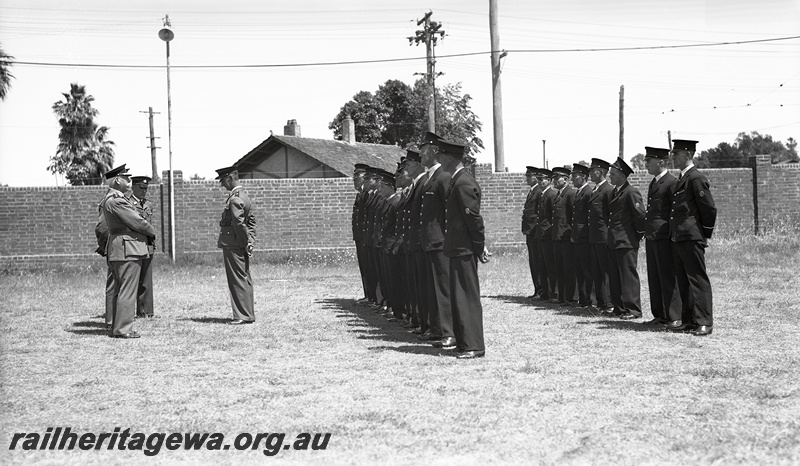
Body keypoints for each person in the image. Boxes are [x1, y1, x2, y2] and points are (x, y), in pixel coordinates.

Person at [439, 138, 489, 359]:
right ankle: (464, 341)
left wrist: (479, 246)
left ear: (449, 158)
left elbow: (473, 220)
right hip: (457, 247)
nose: (438, 161)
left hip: (465, 248)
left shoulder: (463, 182)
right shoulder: (456, 180)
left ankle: (474, 345)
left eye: (440, 157)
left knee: (466, 297)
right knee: (459, 296)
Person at [101, 164, 158, 338]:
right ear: (118, 180)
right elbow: (138, 222)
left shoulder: (112, 199)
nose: (129, 180)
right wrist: (151, 231)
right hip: (127, 248)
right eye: (126, 177)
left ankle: (116, 326)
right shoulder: (117, 200)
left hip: (121, 247)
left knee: (120, 289)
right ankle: (123, 329)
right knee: (127, 289)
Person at [668, 139, 717, 336]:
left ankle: (704, 321)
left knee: (697, 279)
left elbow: (709, 208)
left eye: (677, 153)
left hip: (691, 236)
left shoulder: (695, 178)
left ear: (688, 155)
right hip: (679, 236)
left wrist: (704, 233)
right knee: (683, 280)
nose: (673, 156)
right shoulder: (682, 178)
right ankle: (688, 320)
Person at [419, 131, 456, 349]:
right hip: (430, 241)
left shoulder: (443, 176)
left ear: (434, 151)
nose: (421, 155)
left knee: (443, 288)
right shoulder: (429, 178)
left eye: (423, 151)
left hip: (441, 242)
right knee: (433, 288)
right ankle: (437, 328)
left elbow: (449, 212)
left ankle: (449, 332)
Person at [642, 147, 682, 328]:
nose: (645, 164)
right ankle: (659, 314)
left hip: (664, 237)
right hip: (652, 236)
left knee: (668, 277)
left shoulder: (671, 182)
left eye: (648, 161)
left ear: (661, 162)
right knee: (655, 277)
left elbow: (674, 213)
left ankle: (674, 316)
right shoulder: (655, 182)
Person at [605, 157, 646, 320]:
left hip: (627, 241)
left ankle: (633, 309)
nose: (610, 177)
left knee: (628, 276)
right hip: (614, 241)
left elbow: (640, 216)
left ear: (622, 175)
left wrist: (637, 236)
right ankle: (619, 307)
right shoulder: (615, 192)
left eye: (613, 174)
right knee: (615, 276)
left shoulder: (631, 192)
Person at [216, 166, 257, 325]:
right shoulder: (245, 197)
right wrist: (250, 242)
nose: (222, 185)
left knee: (237, 279)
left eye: (223, 181)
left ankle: (242, 315)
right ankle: (248, 314)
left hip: (233, 244)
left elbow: (239, 224)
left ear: (229, 178)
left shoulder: (234, 199)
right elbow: (252, 223)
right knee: (244, 277)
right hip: (240, 243)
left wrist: (246, 242)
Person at [128, 176, 157, 318]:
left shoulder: (148, 205)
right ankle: (130, 311)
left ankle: (147, 311)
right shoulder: (128, 203)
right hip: (134, 245)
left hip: (148, 245)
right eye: (141, 188)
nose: (144, 191)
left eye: (146, 188)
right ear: (133, 187)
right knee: (133, 280)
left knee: (146, 280)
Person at [587, 158, 614, 312]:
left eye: (592, 170)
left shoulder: (608, 190)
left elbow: (609, 216)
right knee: (597, 271)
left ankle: (609, 303)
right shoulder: (596, 190)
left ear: (600, 172)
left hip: (604, 237)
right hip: (595, 237)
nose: (590, 173)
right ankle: (601, 302)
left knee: (605, 271)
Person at [551, 166, 577, 305]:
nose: (554, 181)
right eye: (553, 178)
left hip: (566, 237)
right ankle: (562, 296)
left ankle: (570, 297)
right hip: (558, 237)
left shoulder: (570, 194)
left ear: (566, 179)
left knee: (568, 268)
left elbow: (573, 216)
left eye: (557, 178)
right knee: (559, 268)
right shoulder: (559, 194)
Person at [570, 163, 593, 308]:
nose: (572, 179)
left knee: (587, 269)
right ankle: (583, 298)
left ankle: (590, 299)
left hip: (585, 237)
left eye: (574, 176)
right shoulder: (579, 192)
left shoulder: (588, 192)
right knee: (580, 269)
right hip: (578, 237)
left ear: (583, 177)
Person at [521, 166, 543, 299]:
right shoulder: (532, 192)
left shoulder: (539, 191)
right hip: (530, 231)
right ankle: (537, 289)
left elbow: (538, 213)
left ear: (535, 177)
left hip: (535, 231)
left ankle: (541, 290)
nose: (527, 178)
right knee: (533, 261)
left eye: (529, 176)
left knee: (538, 261)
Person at [535, 169, 557, 301]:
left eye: (542, 179)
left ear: (548, 181)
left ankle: (553, 292)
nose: (539, 182)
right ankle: (545, 292)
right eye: (538, 179)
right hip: (541, 234)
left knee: (550, 265)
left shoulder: (551, 195)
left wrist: (546, 229)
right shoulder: (542, 194)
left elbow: (551, 217)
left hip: (548, 234)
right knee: (542, 265)